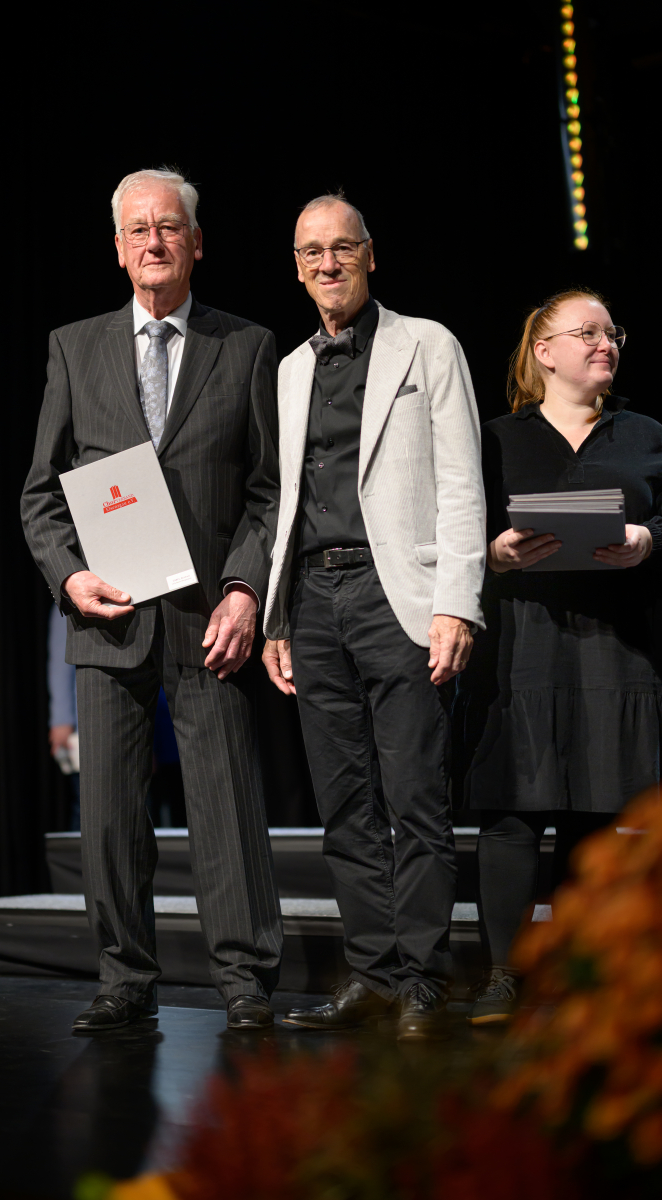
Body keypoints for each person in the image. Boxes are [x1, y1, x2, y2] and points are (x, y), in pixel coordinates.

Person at [22, 169, 283, 1034]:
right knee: (108, 816)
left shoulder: (246, 346)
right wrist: (70, 577)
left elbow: (269, 491)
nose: (154, 242)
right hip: (110, 616)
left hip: (212, 618)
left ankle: (245, 980)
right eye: (137, 230)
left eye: (168, 227)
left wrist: (245, 589)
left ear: (196, 243)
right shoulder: (74, 347)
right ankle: (124, 980)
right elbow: (40, 496)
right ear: (118, 248)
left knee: (227, 806)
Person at [262, 194, 486, 1040]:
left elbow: (462, 482)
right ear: (296, 268)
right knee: (345, 803)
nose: (328, 263)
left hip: (401, 595)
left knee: (415, 797)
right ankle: (375, 973)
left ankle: (424, 977)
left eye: (342, 248)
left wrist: (457, 602)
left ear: (370, 255)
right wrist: (277, 617)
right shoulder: (289, 369)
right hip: (313, 598)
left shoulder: (427, 344)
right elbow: (283, 501)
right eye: (312, 252)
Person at [456, 288, 662, 1025]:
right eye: (589, 333)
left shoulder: (644, 433)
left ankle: (580, 975)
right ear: (544, 351)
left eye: (613, 333)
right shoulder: (495, 439)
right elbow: (454, 528)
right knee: (512, 811)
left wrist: (647, 539)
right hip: (523, 643)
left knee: (596, 814)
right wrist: (495, 554)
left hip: (615, 645)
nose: (607, 344)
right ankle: (504, 976)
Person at [47, 604, 80, 831]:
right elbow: (60, 662)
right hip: (83, 725)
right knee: (88, 804)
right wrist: (61, 720)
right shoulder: (68, 601)